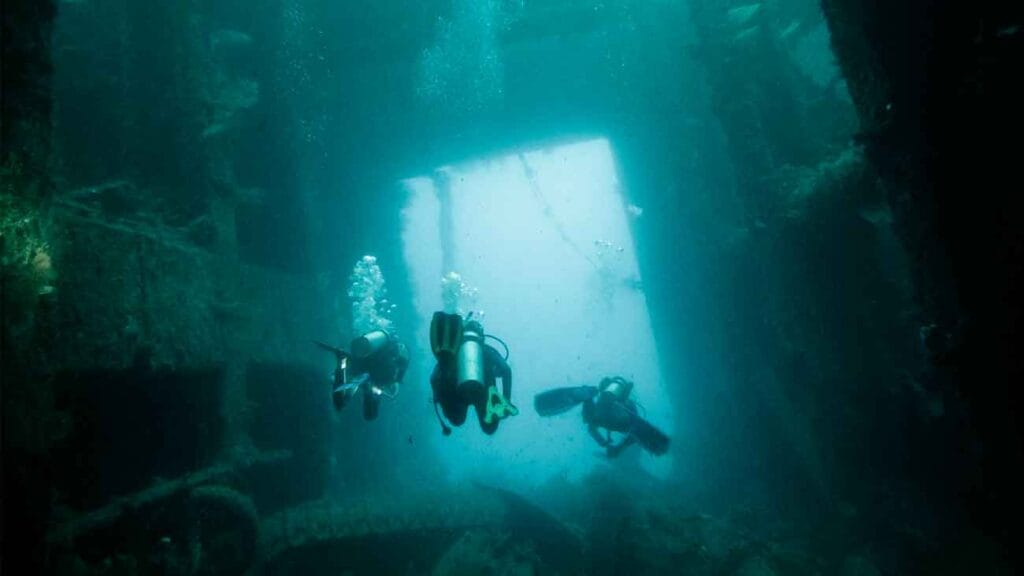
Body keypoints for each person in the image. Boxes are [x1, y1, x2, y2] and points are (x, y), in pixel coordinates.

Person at [534, 376, 670, 457]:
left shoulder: (622, 406)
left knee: (593, 414)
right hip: (615, 419)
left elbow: (592, 429)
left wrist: (605, 443)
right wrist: (612, 446)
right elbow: (633, 433)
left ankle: (587, 393)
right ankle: (587, 393)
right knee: (598, 413)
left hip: (607, 417)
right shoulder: (627, 407)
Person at [429, 311, 518, 435]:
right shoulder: (487, 350)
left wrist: (441, 396)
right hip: (482, 393)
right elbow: (506, 370)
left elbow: (433, 378)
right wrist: (506, 400)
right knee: (490, 429)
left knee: (457, 421)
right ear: (481, 337)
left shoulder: (454, 354)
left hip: (458, 394)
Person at [315, 329, 408, 420]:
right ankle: (341, 364)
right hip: (365, 374)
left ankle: (341, 363)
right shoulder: (393, 366)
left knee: (341, 402)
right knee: (351, 407)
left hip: (360, 368)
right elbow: (391, 388)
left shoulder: (388, 355)